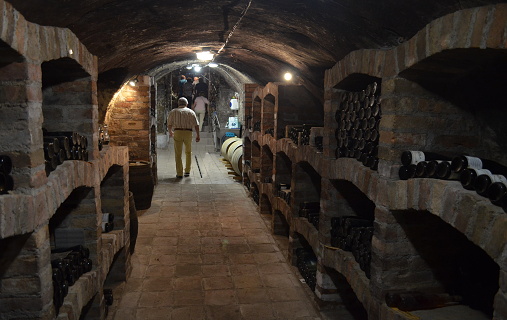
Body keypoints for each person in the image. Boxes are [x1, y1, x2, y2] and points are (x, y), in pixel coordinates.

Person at [167, 97, 200, 178]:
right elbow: (196, 124)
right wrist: (198, 135)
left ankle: (179, 173)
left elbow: (169, 124)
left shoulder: (173, 112)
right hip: (188, 132)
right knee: (188, 152)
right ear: (186, 104)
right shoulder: (191, 112)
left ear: (178, 104)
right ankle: (187, 171)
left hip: (177, 132)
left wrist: (170, 132)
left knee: (178, 153)